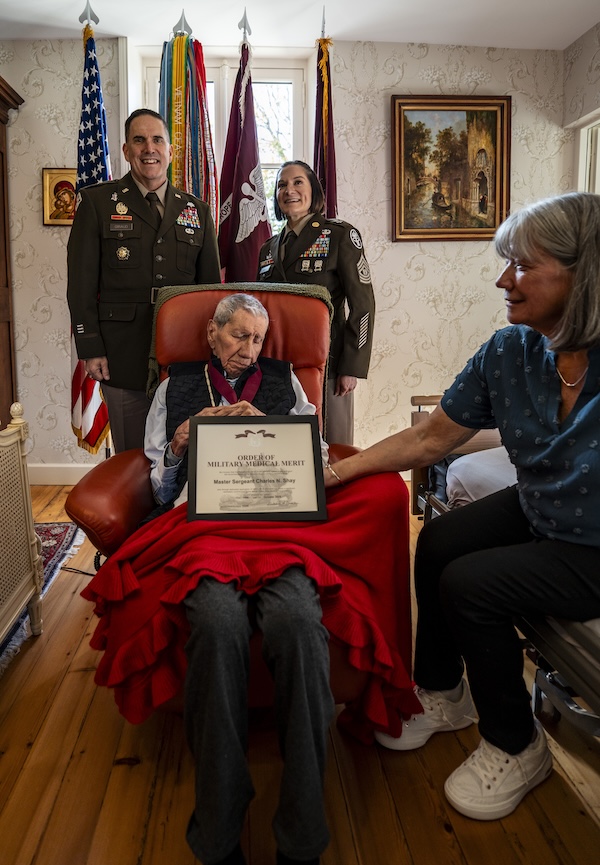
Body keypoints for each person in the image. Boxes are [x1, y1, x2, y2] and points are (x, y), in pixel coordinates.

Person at [81, 293, 419, 865]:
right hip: (202, 529)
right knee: (215, 623)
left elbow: (314, 464)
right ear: (211, 335)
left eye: (259, 339)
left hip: (279, 526)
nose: (249, 350)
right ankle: (218, 827)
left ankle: (302, 830)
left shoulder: (288, 385)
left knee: (298, 623)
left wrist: (272, 435)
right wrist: (185, 443)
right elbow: (161, 488)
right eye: (238, 336)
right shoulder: (175, 387)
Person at [322, 191, 600, 821]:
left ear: (584, 275)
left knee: (471, 584)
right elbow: (429, 438)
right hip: (544, 509)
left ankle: (517, 743)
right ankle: (446, 693)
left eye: (524, 266)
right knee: (441, 540)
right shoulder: (512, 352)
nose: (505, 280)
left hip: (594, 544)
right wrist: (337, 470)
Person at [67, 108, 221, 453]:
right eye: (139, 140)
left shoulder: (197, 210)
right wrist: (91, 348)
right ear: (126, 150)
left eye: (157, 140)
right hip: (122, 350)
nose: (148, 148)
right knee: (132, 453)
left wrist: (212, 351)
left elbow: (210, 288)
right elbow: (80, 283)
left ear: (170, 151)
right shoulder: (97, 202)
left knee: (183, 448)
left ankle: (173, 510)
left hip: (184, 350)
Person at [257, 160, 375, 446]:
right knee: (285, 445)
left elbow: (363, 305)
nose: (289, 190)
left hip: (329, 362)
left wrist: (351, 366)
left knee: (332, 446)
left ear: (314, 191)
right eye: (282, 184)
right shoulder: (267, 249)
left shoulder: (339, 235)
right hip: (279, 364)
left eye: (298, 182)